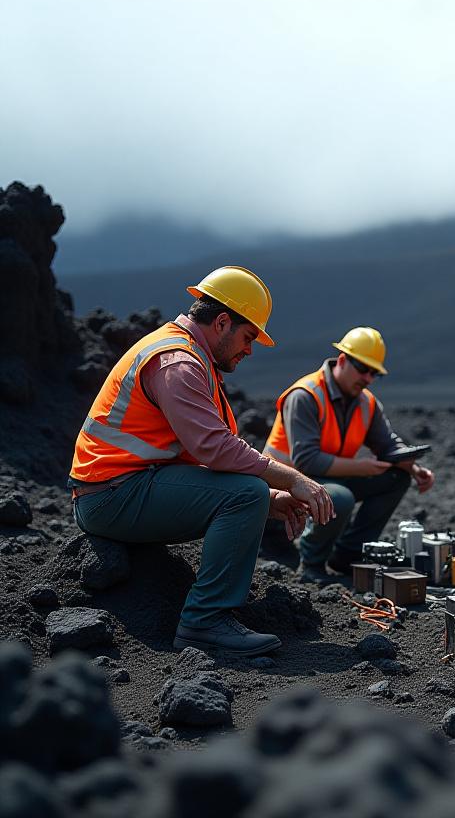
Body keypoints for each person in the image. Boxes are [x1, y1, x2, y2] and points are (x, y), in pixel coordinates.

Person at [70, 266, 335, 656]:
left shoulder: (187, 355)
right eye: (247, 337)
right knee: (245, 493)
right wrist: (291, 479)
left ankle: (208, 616)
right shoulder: (178, 362)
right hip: (110, 497)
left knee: (251, 492)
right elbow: (214, 448)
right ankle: (204, 623)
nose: (248, 349)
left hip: (120, 489)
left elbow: (202, 453)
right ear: (222, 322)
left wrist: (270, 498)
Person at [263, 327, 435, 582]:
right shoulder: (306, 395)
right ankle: (311, 562)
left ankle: (347, 556)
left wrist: (412, 467)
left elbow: (387, 444)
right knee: (339, 498)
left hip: (328, 477)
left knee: (396, 478)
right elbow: (306, 460)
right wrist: (362, 467)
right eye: (362, 368)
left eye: (374, 373)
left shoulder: (367, 402)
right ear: (342, 360)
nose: (368, 377)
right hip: (285, 484)